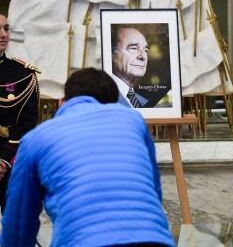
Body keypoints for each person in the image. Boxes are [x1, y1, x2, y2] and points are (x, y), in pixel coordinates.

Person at [1, 67, 176, 247]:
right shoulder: (134, 121)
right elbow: (154, 188)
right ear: (115, 103)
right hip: (154, 239)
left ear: (62, 103)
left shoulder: (36, 139)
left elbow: (19, 221)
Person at [0, 10, 40, 214]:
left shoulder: (22, 75)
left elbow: (27, 124)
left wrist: (3, 160)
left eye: (6, 28)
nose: (3, 34)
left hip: (8, 164)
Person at [111, 25, 149, 108]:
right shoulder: (101, 99)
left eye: (146, 50)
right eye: (134, 48)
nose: (143, 56)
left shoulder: (146, 103)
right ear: (113, 55)